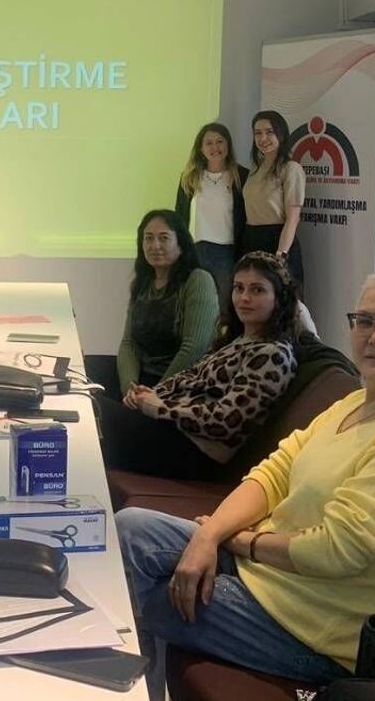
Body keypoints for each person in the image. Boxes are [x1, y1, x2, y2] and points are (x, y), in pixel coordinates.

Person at [116, 266, 375, 695]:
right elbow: (276, 471)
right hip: (272, 573)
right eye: (365, 321)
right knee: (130, 529)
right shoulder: (361, 401)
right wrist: (211, 535)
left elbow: (333, 550)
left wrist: (239, 542)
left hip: (317, 631)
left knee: (151, 602)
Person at [98, 252, 300, 481]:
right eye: (238, 288)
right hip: (172, 430)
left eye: (257, 290)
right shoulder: (237, 340)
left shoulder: (273, 354)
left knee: (92, 409)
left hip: (193, 453)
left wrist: (157, 406)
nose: (244, 298)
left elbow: (226, 421)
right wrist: (150, 395)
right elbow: (189, 379)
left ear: (279, 298)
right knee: (87, 397)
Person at [86, 210, 219, 397]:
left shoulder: (199, 280)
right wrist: (130, 387)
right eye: (148, 238)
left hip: (180, 386)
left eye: (164, 238)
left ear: (181, 244)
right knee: (84, 370)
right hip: (144, 380)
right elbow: (129, 343)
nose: (155, 245)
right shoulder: (143, 283)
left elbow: (194, 348)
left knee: (94, 404)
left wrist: (155, 394)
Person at [175, 122, 250, 314]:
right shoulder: (189, 177)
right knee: (196, 306)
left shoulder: (241, 176)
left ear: (228, 145)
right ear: (200, 148)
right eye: (208, 143)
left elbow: (246, 217)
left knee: (225, 308)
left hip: (226, 253)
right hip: (195, 250)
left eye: (220, 141)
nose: (215, 147)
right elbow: (179, 218)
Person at [242, 110, 306, 289]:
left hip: (278, 240)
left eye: (269, 132)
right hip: (251, 240)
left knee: (281, 299)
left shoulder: (291, 169)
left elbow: (293, 219)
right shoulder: (255, 169)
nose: (263, 138)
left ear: (281, 134)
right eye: (258, 133)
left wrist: (281, 255)